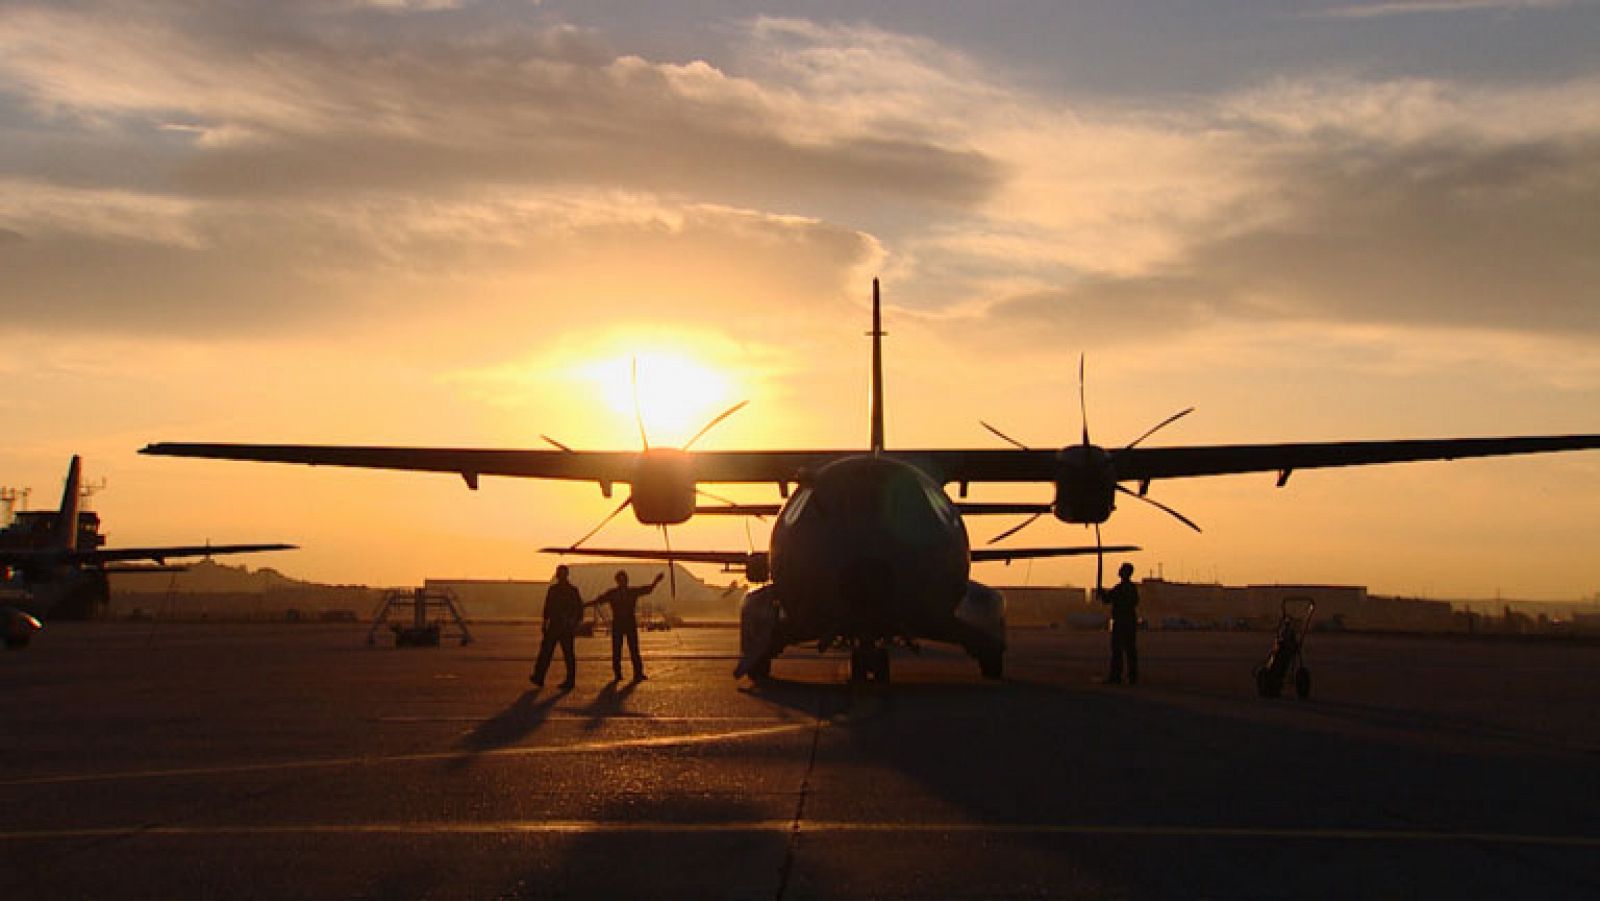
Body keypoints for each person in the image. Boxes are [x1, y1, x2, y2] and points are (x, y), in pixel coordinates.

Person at [587, 569, 663, 682]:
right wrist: (583, 605)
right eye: (621, 580)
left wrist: (656, 581)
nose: (623, 582)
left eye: (624, 580)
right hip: (619, 623)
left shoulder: (629, 592)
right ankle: (618, 674)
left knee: (633, 649)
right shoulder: (614, 593)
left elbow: (647, 589)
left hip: (629, 623)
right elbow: (598, 600)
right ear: (618, 581)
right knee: (617, 649)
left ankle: (637, 673)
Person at [531, 565, 583, 690]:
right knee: (546, 652)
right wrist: (545, 621)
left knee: (567, 654)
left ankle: (569, 680)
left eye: (561, 574)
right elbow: (547, 606)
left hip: (565, 626)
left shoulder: (572, 591)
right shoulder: (553, 590)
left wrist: (574, 622)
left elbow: (579, 608)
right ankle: (539, 676)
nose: (560, 576)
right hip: (555, 624)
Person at [1098, 561, 1139, 684]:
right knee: (1130, 650)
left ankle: (1116, 676)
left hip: (1121, 622)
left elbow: (1107, 599)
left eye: (1121, 569)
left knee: (1118, 650)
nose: (1119, 570)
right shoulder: (1132, 588)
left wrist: (1102, 594)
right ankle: (1132, 676)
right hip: (1130, 622)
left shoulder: (1120, 588)